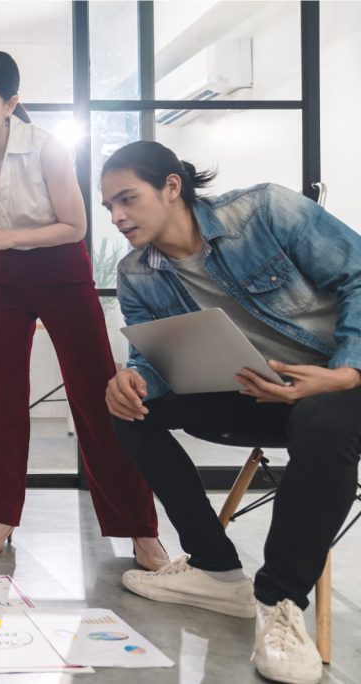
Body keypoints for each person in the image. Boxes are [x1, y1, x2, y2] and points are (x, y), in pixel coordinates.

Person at [102, 140, 361, 684]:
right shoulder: (137, 273)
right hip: (258, 394)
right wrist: (133, 380)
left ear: (172, 186)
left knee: (322, 419)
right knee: (126, 410)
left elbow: (359, 276)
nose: (118, 216)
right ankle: (215, 570)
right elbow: (153, 358)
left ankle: (280, 603)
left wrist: (345, 372)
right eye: (109, 207)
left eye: (127, 199)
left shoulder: (266, 210)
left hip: (340, 386)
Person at [0, 51, 165, 565]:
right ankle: (1, 514)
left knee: (97, 395)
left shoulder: (46, 148)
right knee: (1, 397)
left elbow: (76, 226)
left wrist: (5, 235)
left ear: (11, 104)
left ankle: (138, 526)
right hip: (3, 277)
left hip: (62, 272)